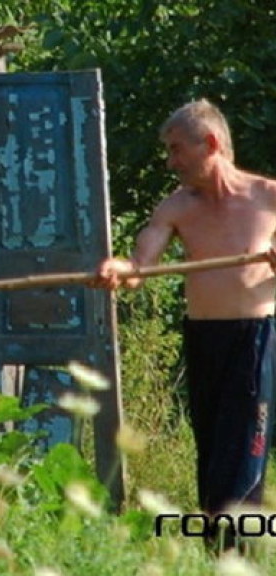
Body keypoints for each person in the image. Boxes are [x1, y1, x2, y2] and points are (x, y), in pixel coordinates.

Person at [93, 98, 276, 549]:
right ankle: (221, 554)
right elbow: (140, 265)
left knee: (242, 456)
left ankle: (235, 554)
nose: (172, 162)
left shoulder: (268, 197)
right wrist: (118, 269)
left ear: (210, 143)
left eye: (177, 150)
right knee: (213, 453)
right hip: (203, 341)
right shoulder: (175, 208)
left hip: (255, 341)